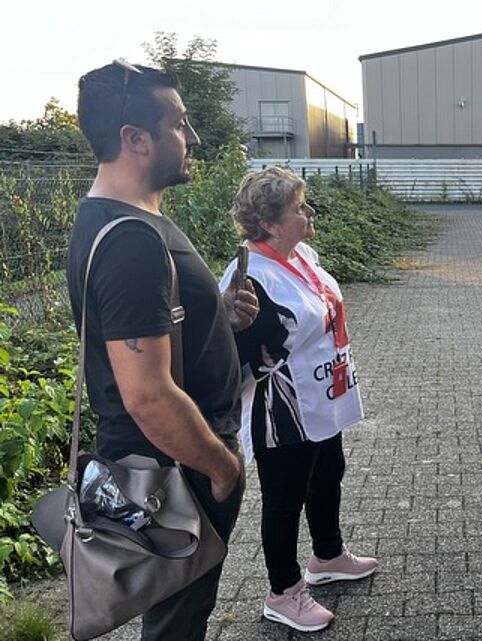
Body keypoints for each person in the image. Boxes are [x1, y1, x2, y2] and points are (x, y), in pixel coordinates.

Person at [66, 60, 259, 640]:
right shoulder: (130, 244)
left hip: (173, 463)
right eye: (179, 122)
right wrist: (221, 468)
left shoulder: (127, 221)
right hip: (175, 471)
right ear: (135, 138)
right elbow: (148, 394)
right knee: (177, 622)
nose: (193, 136)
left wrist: (217, 318)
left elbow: (150, 337)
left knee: (181, 615)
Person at [221, 167, 377, 633]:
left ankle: (327, 555)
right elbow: (241, 350)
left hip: (322, 394)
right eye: (298, 208)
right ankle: (283, 592)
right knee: (285, 497)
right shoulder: (249, 277)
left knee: (329, 472)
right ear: (269, 223)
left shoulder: (300, 253)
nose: (309, 213)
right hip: (282, 409)